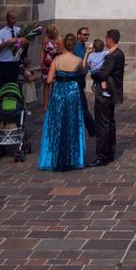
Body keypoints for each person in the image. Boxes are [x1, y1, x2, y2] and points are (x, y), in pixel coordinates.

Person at [38, 33, 86, 171]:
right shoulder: (77, 60)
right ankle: (73, 157)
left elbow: (48, 80)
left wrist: (58, 78)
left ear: (64, 45)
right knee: (72, 122)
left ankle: (53, 156)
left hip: (58, 91)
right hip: (72, 91)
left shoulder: (57, 60)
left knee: (56, 123)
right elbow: (81, 71)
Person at [90, 29, 124, 166]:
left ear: (110, 40)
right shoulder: (119, 53)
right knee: (109, 122)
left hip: (106, 94)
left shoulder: (112, 56)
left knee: (103, 124)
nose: (105, 41)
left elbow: (101, 74)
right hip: (112, 91)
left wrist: (93, 74)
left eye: (106, 39)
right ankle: (110, 152)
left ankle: (103, 155)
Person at [0, 10, 28, 87]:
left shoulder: (18, 30)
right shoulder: (1, 33)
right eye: (12, 18)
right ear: (7, 19)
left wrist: (24, 41)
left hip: (15, 62)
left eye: (15, 18)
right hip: (5, 63)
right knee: (5, 85)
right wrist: (8, 42)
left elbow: (24, 44)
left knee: (13, 84)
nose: (14, 20)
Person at [72, 26, 96, 137]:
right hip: (76, 79)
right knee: (83, 106)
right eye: (84, 34)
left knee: (81, 106)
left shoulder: (83, 47)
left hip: (82, 80)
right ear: (78, 35)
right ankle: (93, 130)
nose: (86, 36)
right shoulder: (76, 48)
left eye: (87, 35)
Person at [41, 24, 63, 115]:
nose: (49, 36)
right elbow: (42, 50)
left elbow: (62, 51)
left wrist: (56, 51)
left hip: (56, 63)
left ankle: (54, 104)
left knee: (55, 84)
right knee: (46, 85)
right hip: (46, 62)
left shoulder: (59, 39)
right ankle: (45, 105)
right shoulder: (45, 39)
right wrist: (41, 61)